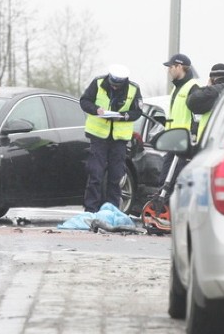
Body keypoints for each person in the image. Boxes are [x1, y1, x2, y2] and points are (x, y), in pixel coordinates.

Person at [79, 64, 143, 214]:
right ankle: (91, 210)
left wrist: (125, 116)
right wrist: (96, 110)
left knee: (116, 176)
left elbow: (137, 111)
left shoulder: (133, 89)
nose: (114, 88)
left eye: (118, 86)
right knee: (96, 174)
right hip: (98, 136)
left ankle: (112, 210)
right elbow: (84, 101)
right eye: (112, 85)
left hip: (119, 139)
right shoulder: (98, 83)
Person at [157, 53, 200, 190]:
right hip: (173, 143)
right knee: (164, 181)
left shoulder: (193, 88)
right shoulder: (176, 88)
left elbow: (196, 117)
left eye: (171, 67)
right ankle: (165, 209)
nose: (169, 70)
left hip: (184, 145)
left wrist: (191, 138)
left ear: (179, 66)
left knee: (175, 184)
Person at [187, 63, 224, 141]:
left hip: (210, 140)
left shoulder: (213, 91)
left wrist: (207, 87)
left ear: (212, 78)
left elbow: (191, 102)